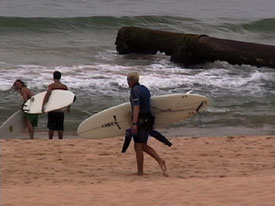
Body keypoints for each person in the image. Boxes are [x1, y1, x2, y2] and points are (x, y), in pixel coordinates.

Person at [126, 72, 168, 176]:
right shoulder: (144, 89)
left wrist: (134, 123)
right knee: (143, 145)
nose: (127, 83)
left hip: (140, 120)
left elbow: (136, 107)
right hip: (148, 120)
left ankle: (140, 171)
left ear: (131, 81)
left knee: (138, 146)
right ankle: (160, 160)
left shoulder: (134, 91)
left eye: (128, 81)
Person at [42, 71, 69, 139]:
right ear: (60, 77)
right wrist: (68, 107)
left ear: (53, 77)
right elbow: (69, 98)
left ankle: (50, 140)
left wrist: (43, 105)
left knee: (51, 127)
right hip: (60, 110)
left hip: (52, 109)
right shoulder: (64, 87)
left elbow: (47, 95)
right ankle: (60, 140)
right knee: (60, 127)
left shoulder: (52, 86)